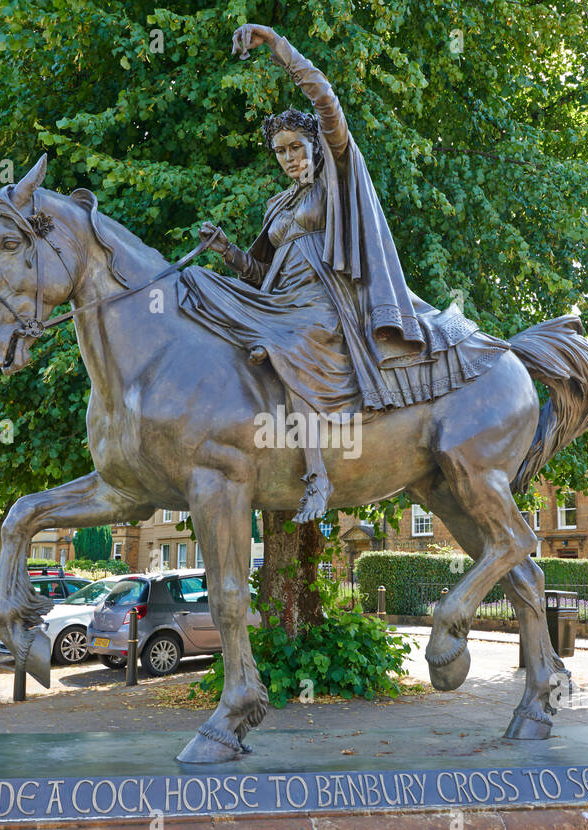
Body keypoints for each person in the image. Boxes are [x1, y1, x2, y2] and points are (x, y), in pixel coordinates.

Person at [179, 24, 507, 523]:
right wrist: (225, 249)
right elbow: (259, 271)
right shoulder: (277, 204)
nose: (290, 158)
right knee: (199, 289)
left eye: (296, 147)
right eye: (281, 151)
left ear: (314, 146)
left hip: (324, 303)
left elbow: (324, 98)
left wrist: (276, 46)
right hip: (279, 299)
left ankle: (318, 476)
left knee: (291, 343)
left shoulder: (337, 174)